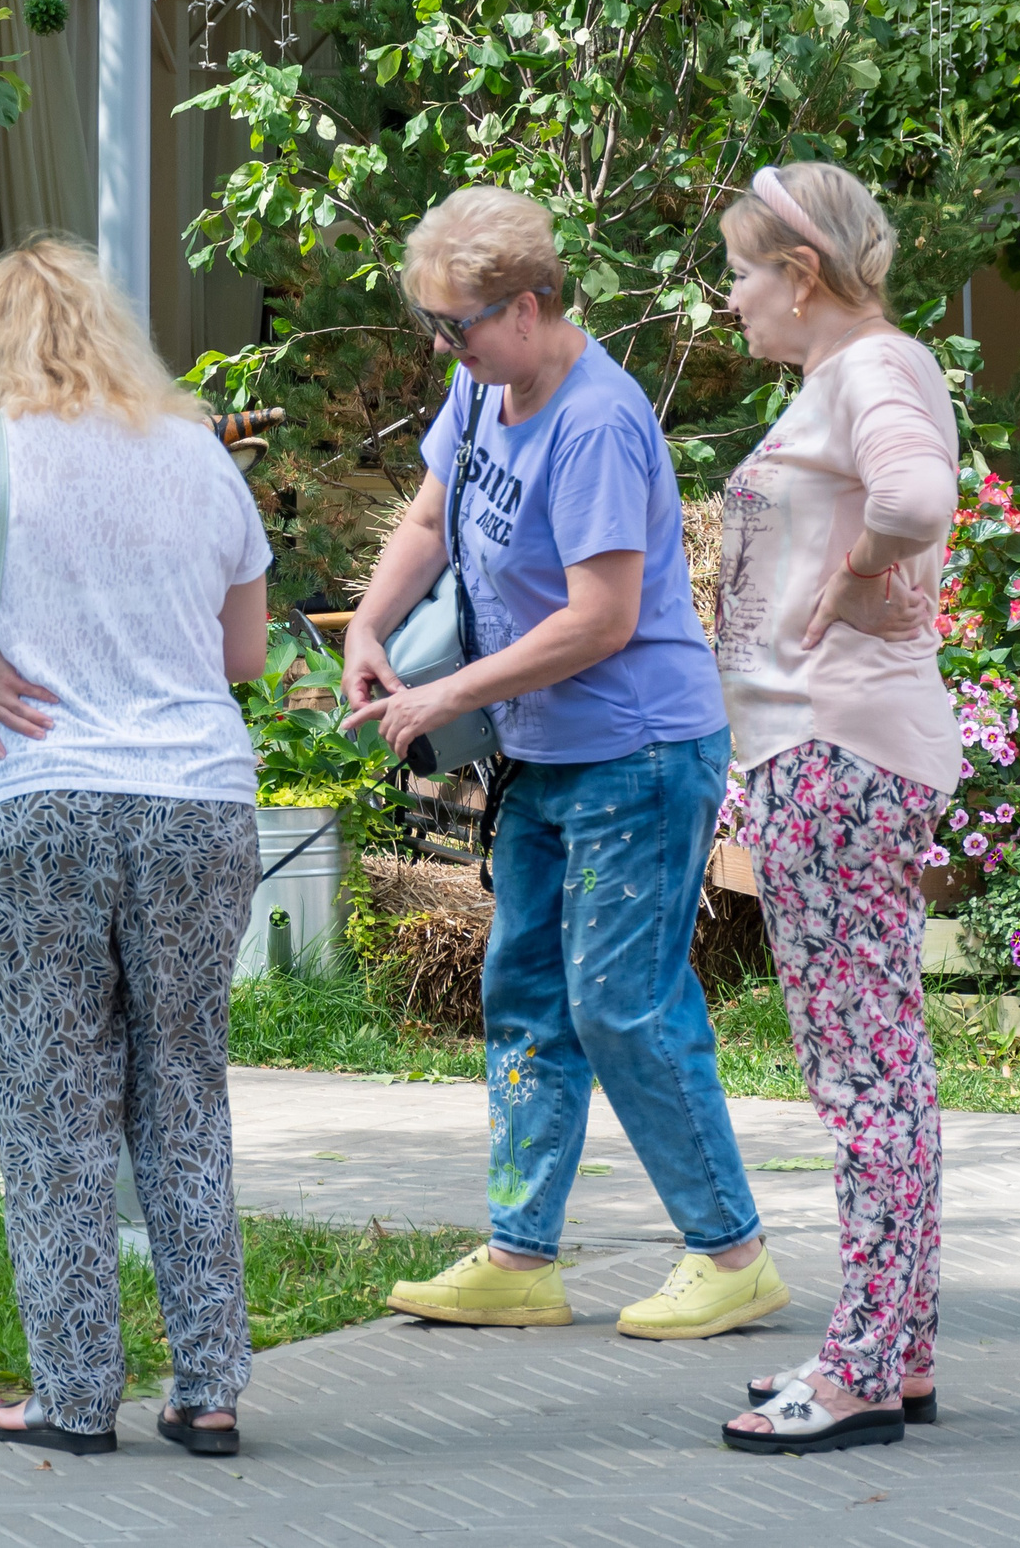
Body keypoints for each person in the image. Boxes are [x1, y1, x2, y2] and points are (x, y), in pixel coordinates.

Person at [0, 237, 270, 1459]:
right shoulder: (196, 455)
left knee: (54, 1105)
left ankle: (74, 1395)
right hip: (195, 803)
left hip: (39, 806)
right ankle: (210, 1387)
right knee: (183, 1090)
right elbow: (241, 660)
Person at [342, 187, 784, 1340]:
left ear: (529, 305)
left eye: (460, 325)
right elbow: (432, 522)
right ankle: (520, 1255)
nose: (445, 345)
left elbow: (601, 618)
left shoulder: (595, 419)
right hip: (545, 753)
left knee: (620, 1003)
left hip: (636, 753)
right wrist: (368, 628)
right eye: (435, 325)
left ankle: (731, 1252)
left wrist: (446, 692)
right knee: (526, 993)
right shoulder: (485, 387)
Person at [712, 163, 956, 1456]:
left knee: (862, 1071)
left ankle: (862, 1363)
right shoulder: (865, 372)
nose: (732, 296)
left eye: (744, 270)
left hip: (834, 751)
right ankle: (896, 1346)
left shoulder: (869, 368)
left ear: (801, 273)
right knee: (882, 1061)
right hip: (837, 749)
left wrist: (857, 575)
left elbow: (916, 501)